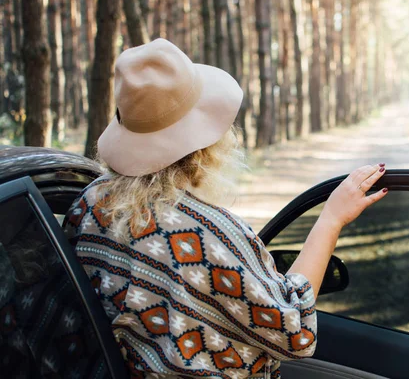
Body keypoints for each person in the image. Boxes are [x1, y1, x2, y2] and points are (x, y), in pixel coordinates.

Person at [64, 38, 388, 379]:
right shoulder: (208, 236)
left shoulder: (87, 205)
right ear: (207, 140)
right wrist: (332, 218)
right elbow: (296, 333)